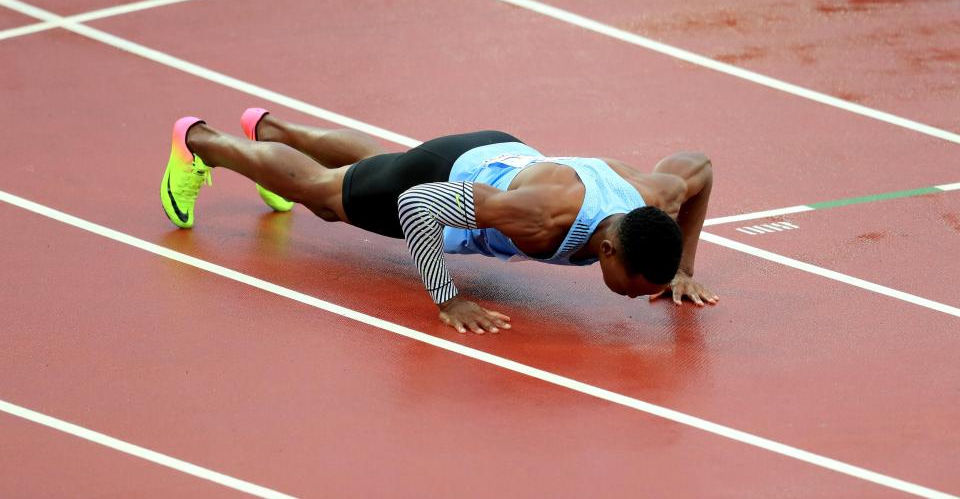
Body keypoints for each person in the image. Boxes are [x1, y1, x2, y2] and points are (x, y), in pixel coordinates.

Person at [161, 108, 719, 334]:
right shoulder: (540, 216)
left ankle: (273, 135)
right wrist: (447, 297)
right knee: (325, 199)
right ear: (609, 252)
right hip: (444, 174)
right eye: (635, 288)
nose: (632, 299)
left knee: (372, 166)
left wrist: (684, 269)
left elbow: (700, 167)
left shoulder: (657, 195)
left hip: (498, 153)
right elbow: (417, 206)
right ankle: (201, 142)